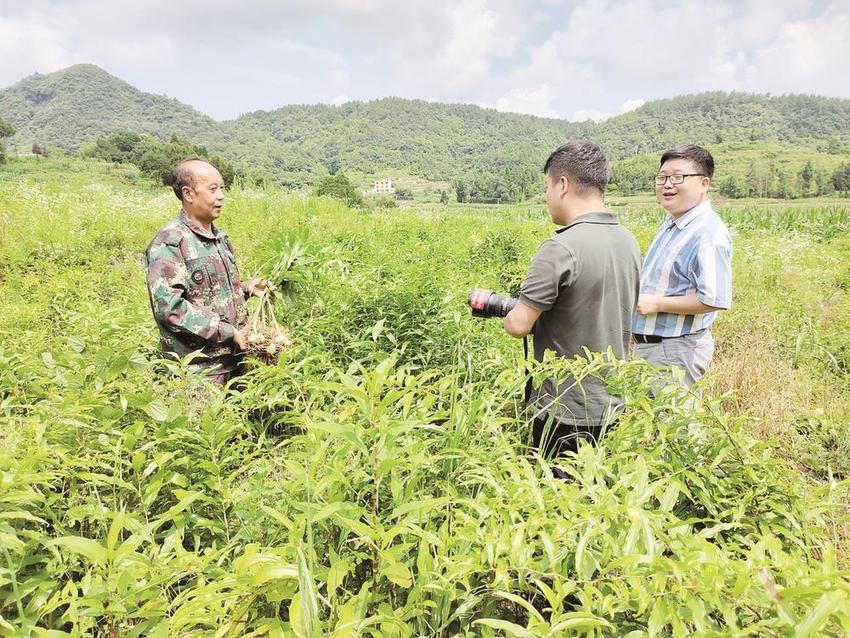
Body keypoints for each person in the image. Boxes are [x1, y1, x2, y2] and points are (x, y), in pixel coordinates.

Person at [503, 140, 641, 457]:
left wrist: (512, 313)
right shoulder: (627, 241)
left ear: (562, 185)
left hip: (563, 405)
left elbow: (519, 326)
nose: (546, 197)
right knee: (594, 492)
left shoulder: (560, 248)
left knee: (556, 496)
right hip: (612, 398)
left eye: (547, 187)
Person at [145, 157, 266, 384]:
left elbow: (211, 292)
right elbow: (170, 309)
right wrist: (228, 333)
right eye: (213, 189)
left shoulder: (219, 238)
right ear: (188, 194)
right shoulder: (171, 242)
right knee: (206, 421)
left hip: (236, 363)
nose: (221, 195)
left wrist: (247, 288)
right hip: (200, 372)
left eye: (222, 188)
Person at [632, 144, 732, 387]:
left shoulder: (707, 235)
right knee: (652, 423)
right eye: (662, 177)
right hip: (653, 345)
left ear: (704, 184)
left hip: (676, 350)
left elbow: (714, 299)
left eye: (678, 177)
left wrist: (655, 303)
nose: (667, 185)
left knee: (673, 424)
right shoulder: (672, 222)